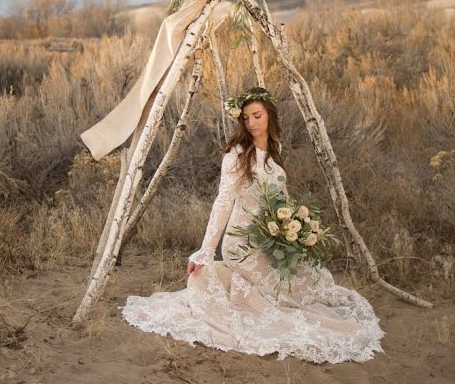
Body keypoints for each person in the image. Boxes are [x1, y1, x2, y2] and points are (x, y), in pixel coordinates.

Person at [120, 87, 385, 363]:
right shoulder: (237, 154)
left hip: (268, 240)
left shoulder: (274, 149)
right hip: (241, 243)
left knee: (308, 281)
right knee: (278, 300)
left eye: (257, 116)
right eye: (246, 118)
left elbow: (278, 197)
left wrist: (291, 227)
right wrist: (206, 250)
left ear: (269, 115)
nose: (252, 123)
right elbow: (224, 201)